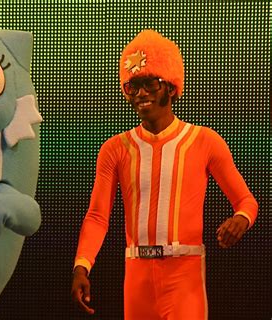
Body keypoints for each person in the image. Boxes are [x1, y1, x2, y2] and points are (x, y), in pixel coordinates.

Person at [71, 29, 258, 320]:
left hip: (185, 274)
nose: (141, 93)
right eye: (133, 86)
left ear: (171, 88)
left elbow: (247, 201)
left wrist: (240, 219)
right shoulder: (114, 149)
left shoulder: (204, 141)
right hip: (136, 275)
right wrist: (82, 265)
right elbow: (97, 216)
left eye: (149, 83)